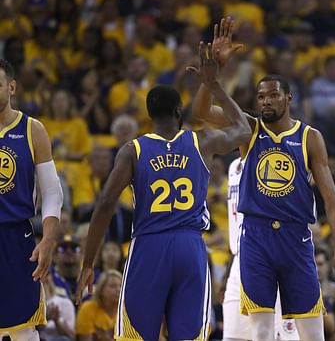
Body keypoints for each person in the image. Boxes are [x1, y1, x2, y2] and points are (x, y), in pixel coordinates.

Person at [192, 17, 335, 341]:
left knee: (312, 334)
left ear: (288, 98)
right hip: (255, 239)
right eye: (261, 97)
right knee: (261, 334)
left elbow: (331, 198)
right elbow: (202, 113)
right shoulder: (249, 130)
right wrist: (211, 76)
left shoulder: (310, 137)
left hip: (296, 240)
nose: (266, 101)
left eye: (272, 95)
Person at [75, 42, 252, 341]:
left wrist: (89, 263)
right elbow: (244, 129)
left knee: (134, 336)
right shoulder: (203, 141)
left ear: (149, 114)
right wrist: (213, 84)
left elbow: (105, 204)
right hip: (190, 248)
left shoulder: (133, 150)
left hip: (148, 246)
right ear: (178, 112)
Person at [0, 59, 64, 340]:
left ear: (11, 87)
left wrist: (48, 240)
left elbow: (52, 192)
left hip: (17, 238)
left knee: (23, 329)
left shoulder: (32, 129)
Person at [222, 156, 300, 341]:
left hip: (268, 258)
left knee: (278, 335)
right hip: (239, 260)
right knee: (233, 336)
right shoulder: (234, 165)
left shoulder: (273, 159)